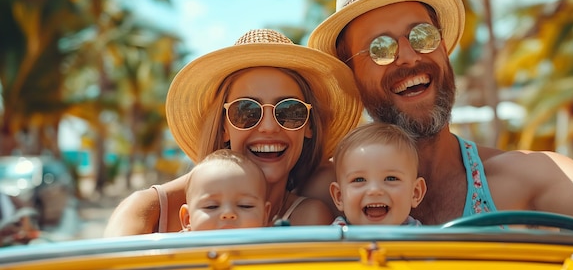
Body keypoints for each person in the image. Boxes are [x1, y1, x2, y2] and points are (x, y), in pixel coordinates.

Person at [307, 0, 573, 227]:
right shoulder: (320, 192)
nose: (409, 56)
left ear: (443, 49)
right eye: (380, 48)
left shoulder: (522, 177)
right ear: (351, 76)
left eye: (422, 35)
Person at [104, 29, 363, 236]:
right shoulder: (145, 210)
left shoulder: (317, 208)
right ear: (224, 126)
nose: (269, 126)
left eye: (290, 111)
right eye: (246, 111)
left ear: (309, 126)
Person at [329, 122, 426, 226]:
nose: (374, 190)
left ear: (415, 193)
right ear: (339, 197)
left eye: (391, 178)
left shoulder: (422, 237)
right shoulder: (332, 238)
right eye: (359, 180)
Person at [179, 149, 271, 231]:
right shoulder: (172, 248)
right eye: (211, 206)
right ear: (187, 219)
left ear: (264, 216)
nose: (228, 213)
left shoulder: (280, 248)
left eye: (245, 205)